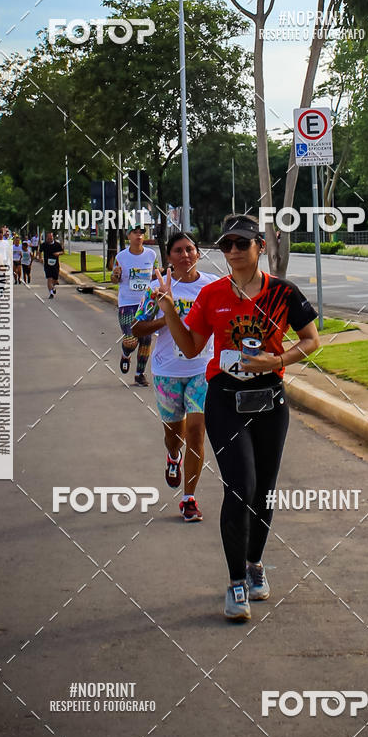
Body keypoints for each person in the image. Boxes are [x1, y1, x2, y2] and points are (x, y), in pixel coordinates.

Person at [155, 214, 320, 621]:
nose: (232, 251)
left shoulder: (283, 293)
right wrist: (168, 307)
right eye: (226, 244)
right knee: (240, 487)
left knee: (264, 489)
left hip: (269, 401)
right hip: (225, 400)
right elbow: (192, 348)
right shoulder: (212, 295)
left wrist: (276, 360)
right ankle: (235, 584)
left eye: (241, 244)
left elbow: (312, 339)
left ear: (260, 247)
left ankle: (254, 564)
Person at [132, 232, 217, 522]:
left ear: (198, 253)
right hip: (167, 371)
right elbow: (137, 329)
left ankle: (188, 498)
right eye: (178, 251)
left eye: (190, 249)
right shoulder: (156, 288)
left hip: (201, 369)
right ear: (169, 257)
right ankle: (173, 456)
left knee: (196, 431)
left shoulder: (211, 286)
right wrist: (167, 314)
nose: (185, 255)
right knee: (174, 436)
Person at [111, 224, 158, 387]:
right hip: (127, 303)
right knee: (131, 340)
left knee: (145, 340)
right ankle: (126, 353)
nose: (138, 235)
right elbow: (114, 278)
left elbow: (155, 276)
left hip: (146, 304)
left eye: (141, 233)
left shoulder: (151, 255)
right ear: (128, 236)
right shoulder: (121, 257)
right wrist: (115, 276)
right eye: (135, 233)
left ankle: (139, 374)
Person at [38, 231, 63, 299]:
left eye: (50, 237)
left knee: (55, 279)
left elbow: (62, 252)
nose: (49, 239)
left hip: (55, 264)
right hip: (47, 264)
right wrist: (40, 258)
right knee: (49, 278)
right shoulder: (44, 244)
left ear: (53, 237)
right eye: (48, 238)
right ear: (46, 238)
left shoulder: (57, 244)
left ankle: (53, 287)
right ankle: (51, 293)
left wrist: (58, 253)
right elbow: (40, 251)